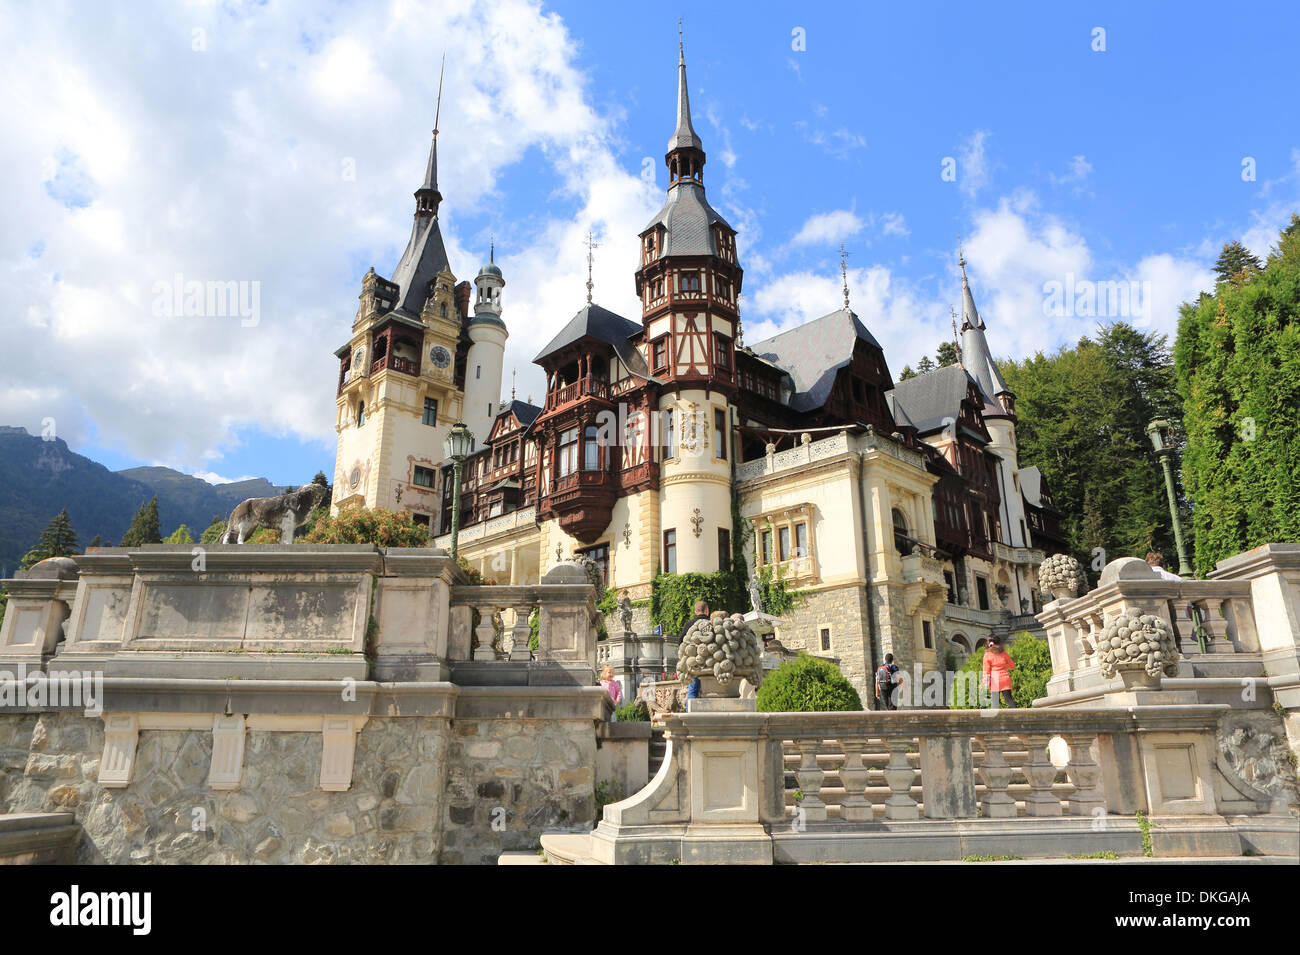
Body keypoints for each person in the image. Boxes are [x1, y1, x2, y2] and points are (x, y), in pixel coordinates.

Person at [681, 599, 710, 699]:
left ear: (695, 611)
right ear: (707, 610)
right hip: (710, 663)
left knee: (693, 691)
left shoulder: (689, 624)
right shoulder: (711, 623)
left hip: (693, 663)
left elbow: (681, 642)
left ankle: (691, 713)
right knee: (710, 691)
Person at [982, 635, 1016, 708]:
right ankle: (1017, 715)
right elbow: (1012, 666)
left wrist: (985, 683)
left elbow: (986, 671)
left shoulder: (987, 655)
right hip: (1005, 678)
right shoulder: (1004, 653)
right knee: (1009, 699)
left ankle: (996, 718)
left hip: (995, 679)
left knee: (995, 703)